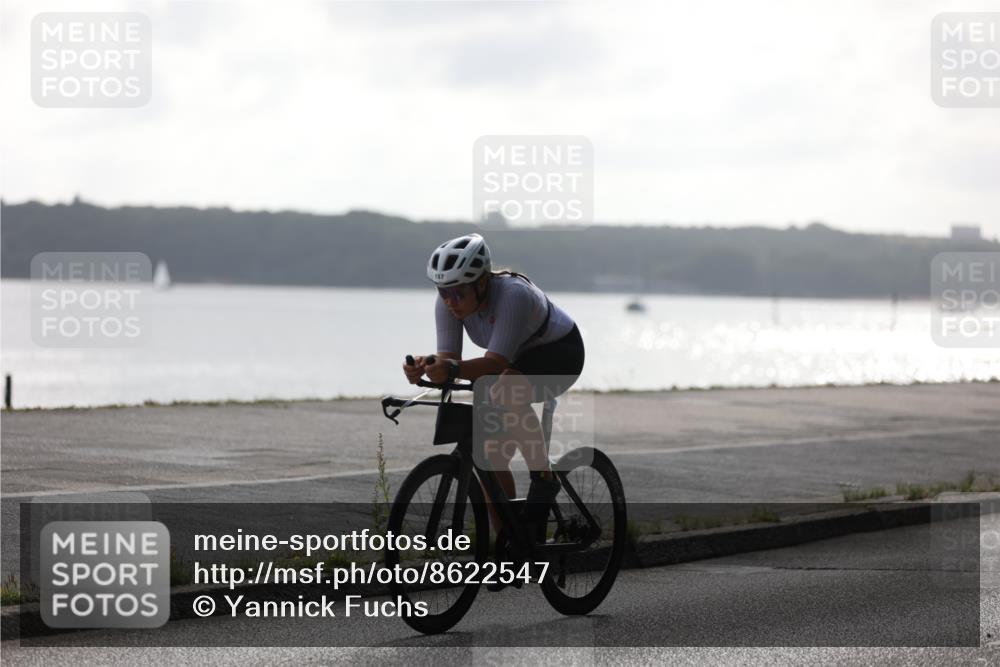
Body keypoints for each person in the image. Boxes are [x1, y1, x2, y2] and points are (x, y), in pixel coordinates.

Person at [402, 232, 585, 527]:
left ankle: (544, 479)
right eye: (443, 292)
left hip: (560, 353)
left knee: (507, 387)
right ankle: (509, 547)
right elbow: (452, 362)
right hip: (514, 362)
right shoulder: (449, 303)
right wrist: (426, 367)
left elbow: (494, 363)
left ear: (482, 282)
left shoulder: (513, 295)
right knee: (489, 459)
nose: (451, 301)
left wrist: (449, 369)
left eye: (459, 292)